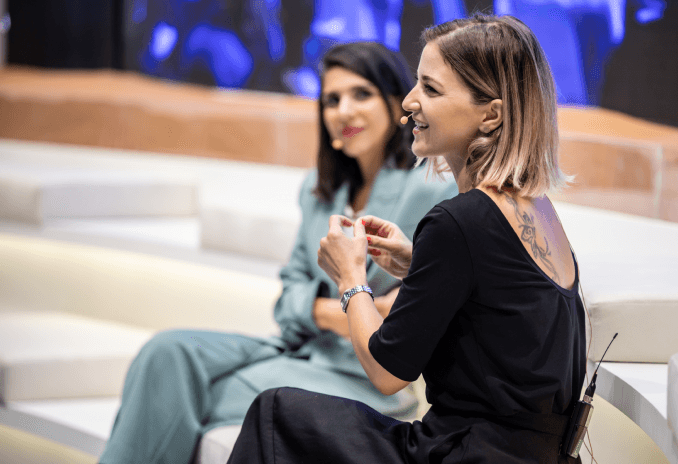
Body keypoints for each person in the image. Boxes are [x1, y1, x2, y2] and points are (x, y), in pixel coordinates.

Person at [227, 14, 588, 464]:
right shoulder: (538, 209)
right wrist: (418, 262)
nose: (409, 102)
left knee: (274, 412)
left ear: (491, 114)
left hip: (462, 453)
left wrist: (351, 277)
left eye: (430, 90)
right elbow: (502, 307)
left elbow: (386, 372)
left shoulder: (458, 220)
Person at [98, 42, 458, 464]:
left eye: (361, 94)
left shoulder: (430, 188)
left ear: (395, 102)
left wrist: (327, 308)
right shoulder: (318, 191)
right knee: (166, 352)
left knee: (176, 396)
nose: (344, 111)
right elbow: (288, 298)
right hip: (296, 348)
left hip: (361, 376)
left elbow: (406, 313)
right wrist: (345, 310)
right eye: (332, 100)